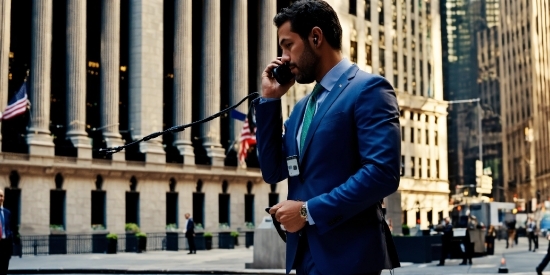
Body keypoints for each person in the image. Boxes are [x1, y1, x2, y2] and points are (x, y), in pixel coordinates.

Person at [255, 1, 400, 274]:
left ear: (316, 37)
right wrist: (269, 102)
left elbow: (382, 173)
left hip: (349, 258)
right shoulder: (300, 109)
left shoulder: (369, 90)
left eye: (288, 45)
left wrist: (307, 211)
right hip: (304, 258)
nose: (283, 57)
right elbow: (273, 170)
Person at [0, 190, 13, 274]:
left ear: (4, 198)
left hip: (5, 245)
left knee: (4, 269)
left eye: (1, 196)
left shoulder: (7, 212)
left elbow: (10, 228)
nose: (0, 198)